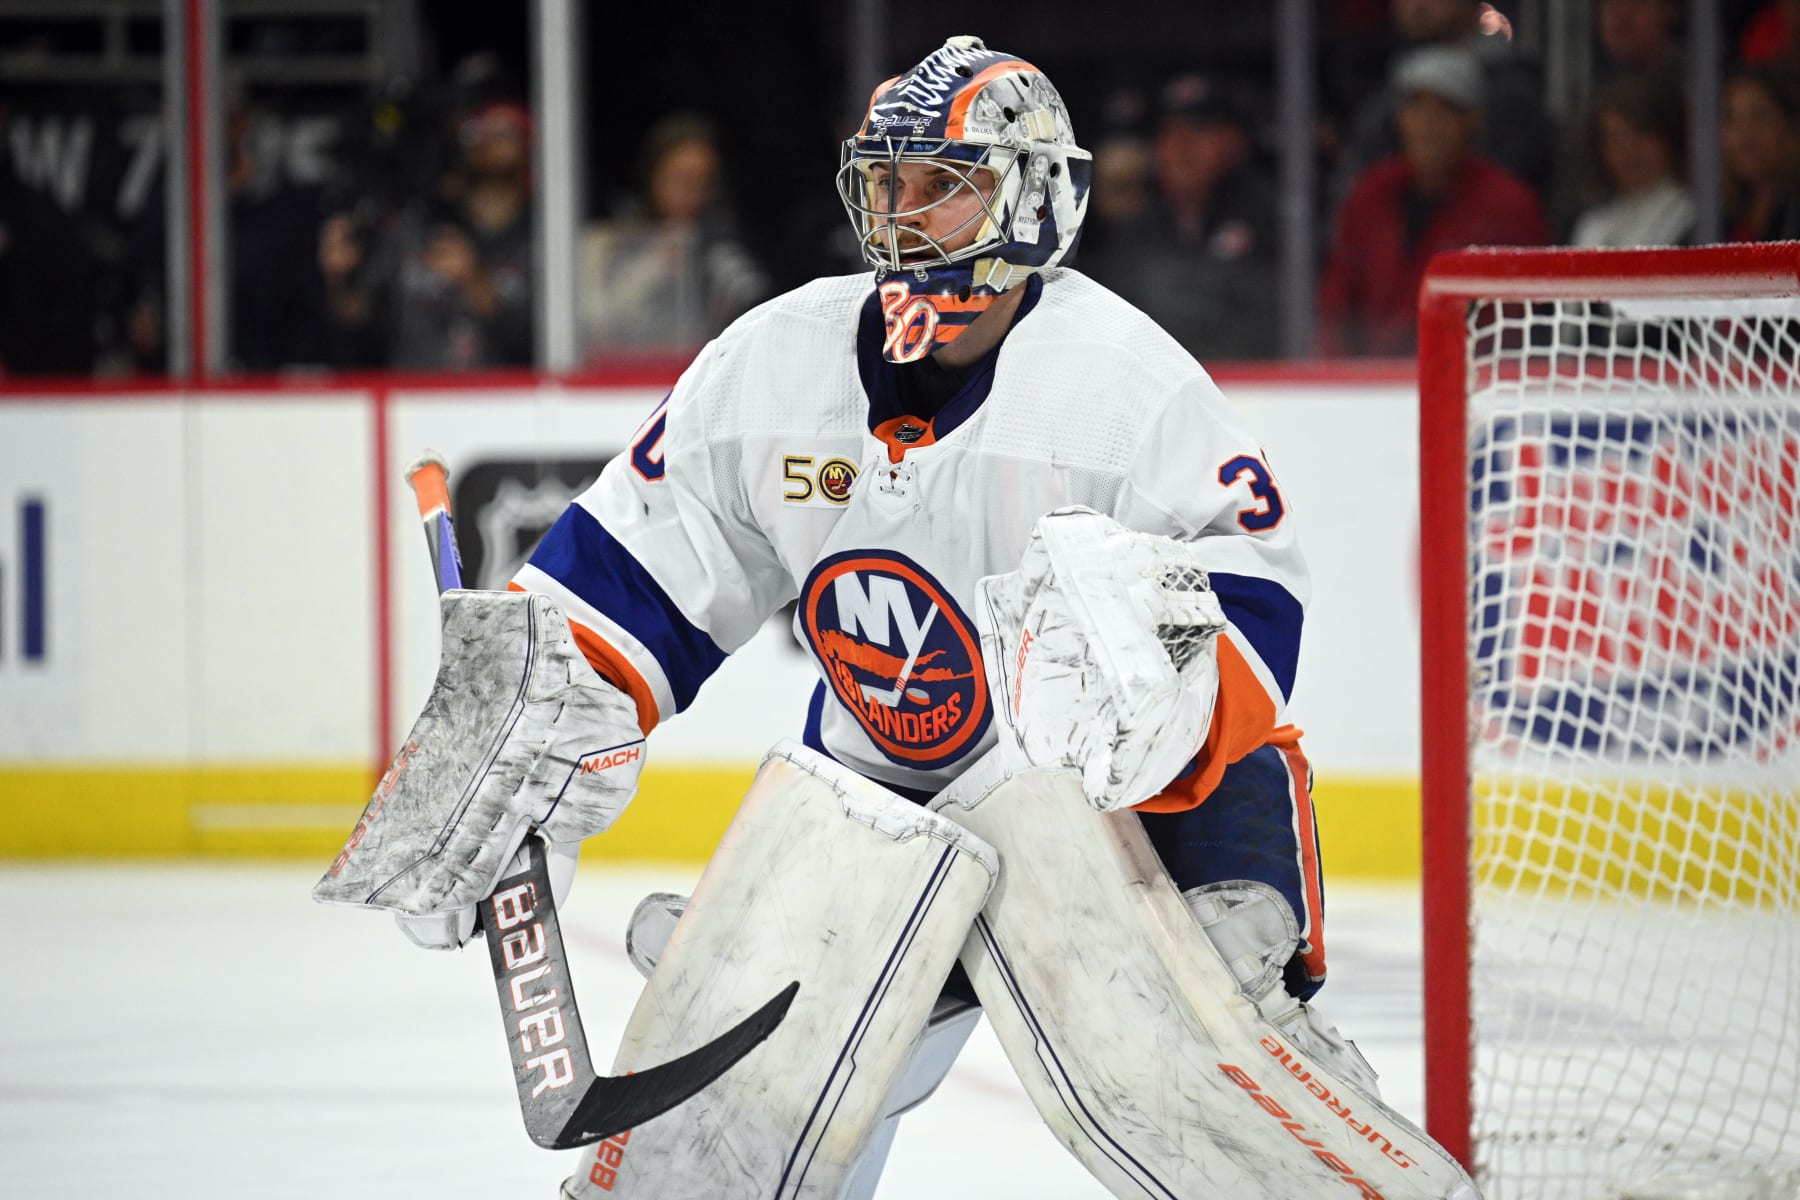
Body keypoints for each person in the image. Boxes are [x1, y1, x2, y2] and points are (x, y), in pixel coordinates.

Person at [320, 37, 1474, 1199]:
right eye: (889, 181)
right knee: (719, 1134)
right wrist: (515, 778)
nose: (904, 213)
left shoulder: (1124, 387)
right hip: (877, 799)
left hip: (1126, 816)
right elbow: (625, 582)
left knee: (1223, 1110)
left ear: (1032, 197)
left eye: (944, 182)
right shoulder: (774, 369)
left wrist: (1147, 688)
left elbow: (1254, 593)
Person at [1318, 44, 1548, 355]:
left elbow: (1518, 323)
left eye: (1446, 108)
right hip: (1369, 387)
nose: (1429, 124)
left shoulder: (1510, 207)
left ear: (1474, 120)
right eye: (1416, 107)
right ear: (1400, 118)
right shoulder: (1369, 195)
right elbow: (1336, 305)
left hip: (1468, 386)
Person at [1081, 72, 1281, 360]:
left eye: (1200, 129)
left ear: (1234, 140)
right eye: (1169, 131)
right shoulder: (1136, 225)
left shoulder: (1272, 215)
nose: (1181, 146)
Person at [578, 112, 769, 360]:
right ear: (653, 177)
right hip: (620, 384)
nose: (695, 194)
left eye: (706, 182)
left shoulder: (722, 243)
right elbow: (595, 326)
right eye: (683, 179)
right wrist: (655, 266)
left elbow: (752, 311)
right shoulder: (606, 243)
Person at [1567, 72, 1695, 247]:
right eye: (1614, 139)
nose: (1628, 151)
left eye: (1640, 133)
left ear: (1667, 137)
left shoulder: (1693, 217)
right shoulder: (1592, 225)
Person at [1721, 64, 1800, 243]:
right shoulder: (1714, 217)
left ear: (1790, 125)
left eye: (1760, 115)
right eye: (1732, 118)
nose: (1745, 133)